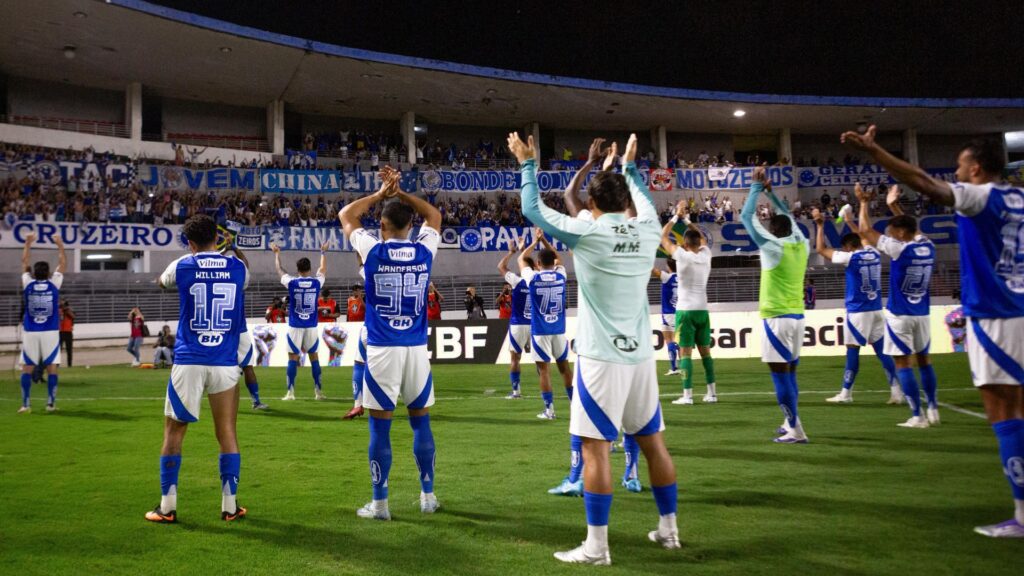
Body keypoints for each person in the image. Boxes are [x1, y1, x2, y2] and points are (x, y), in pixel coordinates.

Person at [843, 127, 1024, 537]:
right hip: (1018, 307)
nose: (956, 174)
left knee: (1005, 414)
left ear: (976, 168)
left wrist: (875, 151)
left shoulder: (981, 197)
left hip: (995, 315)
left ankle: (1022, 515)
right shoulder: (1019, 199)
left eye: (960, 167)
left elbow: (924, 182)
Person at [514, 131, 679, 563]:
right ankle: (669, 531)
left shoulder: (587, 233)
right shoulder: (646, 229)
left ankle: (597, 547)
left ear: (592, 204)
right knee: (653, 444)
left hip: (602, 357)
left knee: (595, 448)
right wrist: (629, 166)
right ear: (624, 200)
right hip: (641, 356)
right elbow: (644, 199)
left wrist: (527, 163)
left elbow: (533, 208)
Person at [340, 165, 442, 519]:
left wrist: (380, 194)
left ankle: (380, 503)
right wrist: (402, 194)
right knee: (421, 423)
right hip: (416, 349)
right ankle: (428, 497)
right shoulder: (424, 251)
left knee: (380, 428)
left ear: (381, 226)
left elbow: (346, 215)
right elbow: (435, 215)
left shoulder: (371, 250)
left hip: (382, 349)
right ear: (411, 226)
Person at [146, 214, 248, 523]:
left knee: (174, 432)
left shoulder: (181, 265)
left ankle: (167, 506)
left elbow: (162, 284)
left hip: (189, 360)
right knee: (227, 432)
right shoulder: (237, 267)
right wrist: (233, 250)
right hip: (224, 362)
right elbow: (243, 275)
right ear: (217, 238)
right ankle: (230, 506)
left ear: (190, 243)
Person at [854, 183, 938, 429]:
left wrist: (863, 202)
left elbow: (865, 230)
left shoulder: (898, 249)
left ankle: (917, 416)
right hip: (922, 313)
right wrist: (892, 205)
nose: (889, 235)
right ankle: (933, 407)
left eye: (892, 231)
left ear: (900, 233)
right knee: (925, 360)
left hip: (900, 315)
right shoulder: (927, 246)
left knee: (903, 363)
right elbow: (914, 228)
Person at [740, 165, 810, 444]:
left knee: (780, 377)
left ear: (773, 229)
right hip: (797, 316)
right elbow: (790, 217)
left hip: (776, 317)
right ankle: (790, 421)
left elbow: (746, 217)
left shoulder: (773, 247)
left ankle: (796, 429)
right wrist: (772, 194)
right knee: (790, 373)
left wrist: (756, 187)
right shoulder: (802, 244)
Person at [812, 200, 901, 404]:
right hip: (877, 309)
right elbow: (865, 235)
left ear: (848, 247)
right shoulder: (874, 254)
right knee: (881, 351)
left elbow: (821, 249)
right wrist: (849, 221)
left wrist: (819, 226)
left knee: (853, 349)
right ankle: (896, 390)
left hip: (858, 312)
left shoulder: (849, 257)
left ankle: (846, 393)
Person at [660, 201, 717, 405]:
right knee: (706, 353)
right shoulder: (706, 255)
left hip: (685, 311)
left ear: (685, 243)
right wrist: (687, 220)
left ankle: (687, 395)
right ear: (699, 243)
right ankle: (712, 393)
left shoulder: (681, 256)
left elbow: (663, 236)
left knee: (685, 353)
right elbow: (699, 237)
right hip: (703, 309)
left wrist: (676, 217)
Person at [519, 229, 573, 421]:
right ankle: (575, 406)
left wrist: (534, 242)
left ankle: (549, 410)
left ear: (538, 264)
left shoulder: (533, 277)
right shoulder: (561, 275)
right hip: (558, 329)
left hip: (540, 331)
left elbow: (522, 258)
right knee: (565, 368)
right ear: (554, 263)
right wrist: (545, 241)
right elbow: (559, 258)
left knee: (544, 370)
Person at [272, 241, 329, 401]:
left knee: (292, 358)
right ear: (310, 269)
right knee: (314, 358)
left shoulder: (292, 282)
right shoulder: (317, 282)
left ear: (297, 270)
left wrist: (277, 254)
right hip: (311, 326)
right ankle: (318, 392)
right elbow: (323, 269)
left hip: (295, 325)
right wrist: (323, 252)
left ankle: (290, 393)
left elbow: (279, 270)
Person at [18, 233, 66, 413]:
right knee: (52, 367)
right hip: (51, 331)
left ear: (33, 272)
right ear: (48, 273)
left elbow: (24, 262)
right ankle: (50, 404)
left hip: (30, 331)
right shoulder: (54, 284)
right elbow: (63, 264)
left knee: (27, 368)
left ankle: (26, 404)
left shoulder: (27, 283)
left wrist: (27, 243)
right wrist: (59, 244)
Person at [230, 240, 269, 410]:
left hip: (218, 330)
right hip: (239, 330)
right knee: (247, 367)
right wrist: (234, 248)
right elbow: (245, 264)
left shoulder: (212, 280)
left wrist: (223, 250)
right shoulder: (239, 279)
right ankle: (256, 400)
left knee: (211, 368)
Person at [497, 240, 532, 399]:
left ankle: (516, 392)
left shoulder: (518, 281)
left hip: (518, 324)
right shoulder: (538, 279)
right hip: (535, 325)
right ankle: (546, 392)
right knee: (541, 361)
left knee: (515, 358)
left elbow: (501, 267)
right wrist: (525, 251)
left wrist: (512, 252)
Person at [653, 259, 680, 377]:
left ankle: (677, 368)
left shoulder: (667, 277)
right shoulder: (683, 278)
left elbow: (653, 271)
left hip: (668, 313)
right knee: (674, 340)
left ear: (669, 266)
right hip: (679, 311)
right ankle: (675, 368)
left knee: (671, 340)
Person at [59, 299, 74, 368]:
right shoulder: (58, 310)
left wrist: (67, 310)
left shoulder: (69, 310)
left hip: (68, 332)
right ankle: (57, 365)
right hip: (60, 332)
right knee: (59, 350)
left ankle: (69, 365)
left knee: (69, 349)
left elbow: (73, 317)